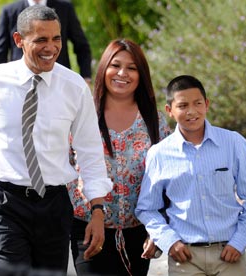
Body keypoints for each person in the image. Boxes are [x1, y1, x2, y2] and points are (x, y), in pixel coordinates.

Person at [0, 5, 111, 273]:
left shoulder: (74, 87)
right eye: (41, 40)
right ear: (19, 40)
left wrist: (97, 210)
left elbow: (90, 151)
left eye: (56, 38)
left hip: (53, 205)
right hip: (3, 204)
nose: (51, 47)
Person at [136, 75, 246, 275]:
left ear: (207, 105)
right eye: (183, 105)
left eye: (198, 103)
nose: (191, 111)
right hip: (184, 258)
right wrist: (170, 242)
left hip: (229, 254)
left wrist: (239, 241)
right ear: (169, 111)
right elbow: (147, 209)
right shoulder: (159, 154)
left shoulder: (233, 143)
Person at [67, 38, 171, 276]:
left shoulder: (155, 122)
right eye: (115, 65)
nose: (122, 73)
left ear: (141, 74)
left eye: (132, 68)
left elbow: (168, 180)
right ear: (104, 68)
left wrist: (158, 229)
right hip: (88, 228)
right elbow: (65, 167)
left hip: (138, 233)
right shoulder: (82, 115)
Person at [0, 0, 92, 83]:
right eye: (41, 40)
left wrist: (86, 77)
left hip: (59, 82)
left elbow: (81, 45)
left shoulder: (65, 8)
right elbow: (0, 50)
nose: (49, 47)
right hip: (19, 81)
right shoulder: (10, 11)